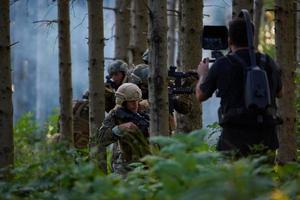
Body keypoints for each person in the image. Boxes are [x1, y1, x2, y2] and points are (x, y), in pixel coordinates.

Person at [195, 18, 282, 157]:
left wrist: (202, 75)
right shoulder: (267, 61)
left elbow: (201, 95)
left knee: (234, 178)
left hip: (234, 138)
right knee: (263, 177)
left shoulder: (223, 63)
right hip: (267, 136)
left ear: (229, 40)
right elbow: (280, 93)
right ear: (251, 38)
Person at [97, 83, 150, 176]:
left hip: (149, 160)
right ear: (123, 102)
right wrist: (120, 129)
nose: (135, 105)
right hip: (126, 164)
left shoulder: (144, 109)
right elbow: (101, 138)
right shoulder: (115, 114)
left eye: (136, 101)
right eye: (131, 102)